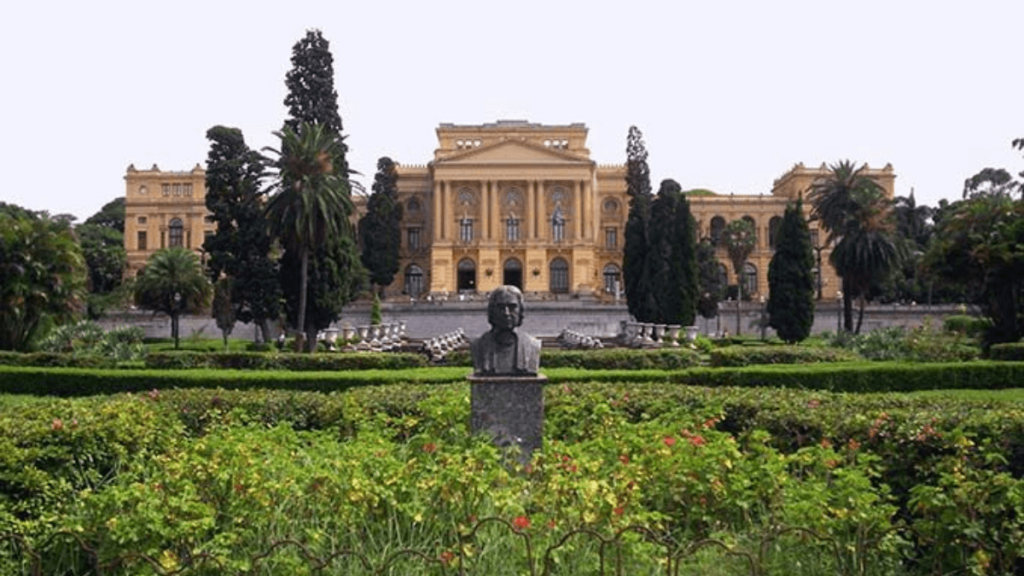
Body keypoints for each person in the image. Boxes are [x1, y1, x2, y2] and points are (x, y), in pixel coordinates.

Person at [471, 286, 541, 375]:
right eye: (500, 307)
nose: (506, 313)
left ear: (521, 310)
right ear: (492, 311)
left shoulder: (532, 345)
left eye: (512, 307)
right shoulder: (478, 345)